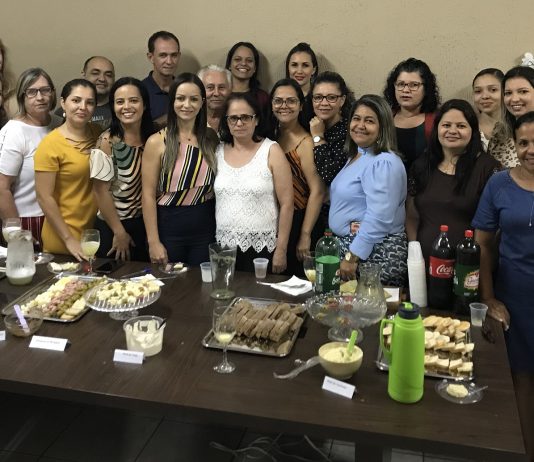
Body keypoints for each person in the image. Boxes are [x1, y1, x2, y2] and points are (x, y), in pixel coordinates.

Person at [472, 111, 534, 462]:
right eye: (523, 143)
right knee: (521, 381)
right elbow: (482, 245)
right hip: (516, 297)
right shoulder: (499, 184)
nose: (530, 150)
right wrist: (489, 297)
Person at [406, 99, 500, 263]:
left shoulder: (488, 168)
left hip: (469, 267)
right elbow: (412, 217)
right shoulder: (421, 165)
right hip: (422, 264)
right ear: (437, 128)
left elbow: (495, 228)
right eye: (446, 125)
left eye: (461, 126)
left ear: (473, 130)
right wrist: (414, 254)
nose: (452, 131)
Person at [329, 95, 407, 286]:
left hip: (374, 252)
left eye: (369, 121)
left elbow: (380, 216)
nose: (360, 125)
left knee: (372, 305)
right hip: (356, 248)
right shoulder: (359, 155)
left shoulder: (383, 161)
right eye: (356, 118)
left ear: (383, 127)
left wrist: (351, 257)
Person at [142, 73, 218, 265]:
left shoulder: (211, 138)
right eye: (181, 98)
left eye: (194, 99)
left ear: (202, 102)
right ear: (172, 101)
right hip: (169, 227)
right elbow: (148, 195)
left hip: (205, 226)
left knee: (203, 281)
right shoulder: (156, 141)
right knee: (171, 282)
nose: (187, 105)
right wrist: (153, 242)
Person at [215, 92, 293, 273]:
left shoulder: (271, 150)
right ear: (226, 121)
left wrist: (281, 250)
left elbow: (287, 204)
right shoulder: (218, 151)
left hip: (262, 247)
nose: (239, 123)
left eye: (245, 117)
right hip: (224, 246)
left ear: (256, 120)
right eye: (233, 118)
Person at [90, 77, 155, 261]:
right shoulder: (106, 141)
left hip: (145, 224)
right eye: (120, 102)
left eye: (133, 100)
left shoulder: (153, 138)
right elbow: (100, 191)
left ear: (144, 104)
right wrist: (119, 232)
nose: (127, 107)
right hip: (114, 226)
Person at [34, 79, 100, 258]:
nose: (83, 107)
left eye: (90, 102)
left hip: (92, 235)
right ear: (63, 103)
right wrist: (68, 239)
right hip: (63, 238)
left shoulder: (98, 133)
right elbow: (44, 197)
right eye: (76, 100)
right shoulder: (50, 144)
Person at [269, 78, 325, 275]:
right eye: (278, 101)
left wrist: (305, 234)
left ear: (301, 106)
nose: (284, 106)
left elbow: (318, 191)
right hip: (277, 218)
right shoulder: (272, 135)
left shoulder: (305, 142)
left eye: (291, 101)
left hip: (300, 220)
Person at [0, 68, 61, 246]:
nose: (40, 97)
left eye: (45, 90)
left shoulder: (60, 125)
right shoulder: (14, 131)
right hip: (27, 220)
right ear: (22, 96)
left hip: (59, 217)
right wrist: (16, 232)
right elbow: (2, 188)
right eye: (32, 92)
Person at [383, 58, 441, 171]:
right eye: (401, 84)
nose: (406, 90)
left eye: (414, 85)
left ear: (426, 89)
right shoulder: (384, 118)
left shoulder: (437, 121)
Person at [310, 71, 354, 185]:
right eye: (318, 97)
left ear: (342, 100)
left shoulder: (350, 131)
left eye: (331, 97)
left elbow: (330, 175)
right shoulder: (309, 124)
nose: (324, 103)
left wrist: (318, 137)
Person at [54, 56, 115, 130]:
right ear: (84, 74)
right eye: (95, 73)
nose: (102, 79)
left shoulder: (121, 108)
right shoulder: (64, 112)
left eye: (108, 75)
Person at [472, 68, 517, 168]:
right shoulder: (467, 127)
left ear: (505, 92)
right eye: (478, 91)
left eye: (493, 90)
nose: (485, 96)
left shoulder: (519, 127)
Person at [142, 31, 181, 124]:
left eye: (174, 55)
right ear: (151, 57)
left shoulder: (186, 89)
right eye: (163, 55)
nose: (169, 61)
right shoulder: (139, 91)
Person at [225, 42, 269, 114]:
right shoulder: (221, 94)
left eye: (249, 60)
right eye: (237, 59)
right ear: (229, 64)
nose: (243, 63)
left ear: (255, 68)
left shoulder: (262, 98)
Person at [285, 42, 318, 125]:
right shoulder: (279, 97)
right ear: (288, 68)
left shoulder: (320, 100)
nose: (299, 71)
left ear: (313, 70)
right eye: (294, 65)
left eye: (305, 65)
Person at [197, 64, 232, 132]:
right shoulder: (191, 119)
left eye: (221, 87)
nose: (216, 93)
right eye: (210, 87)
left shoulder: (237, 119)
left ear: (230, 90)